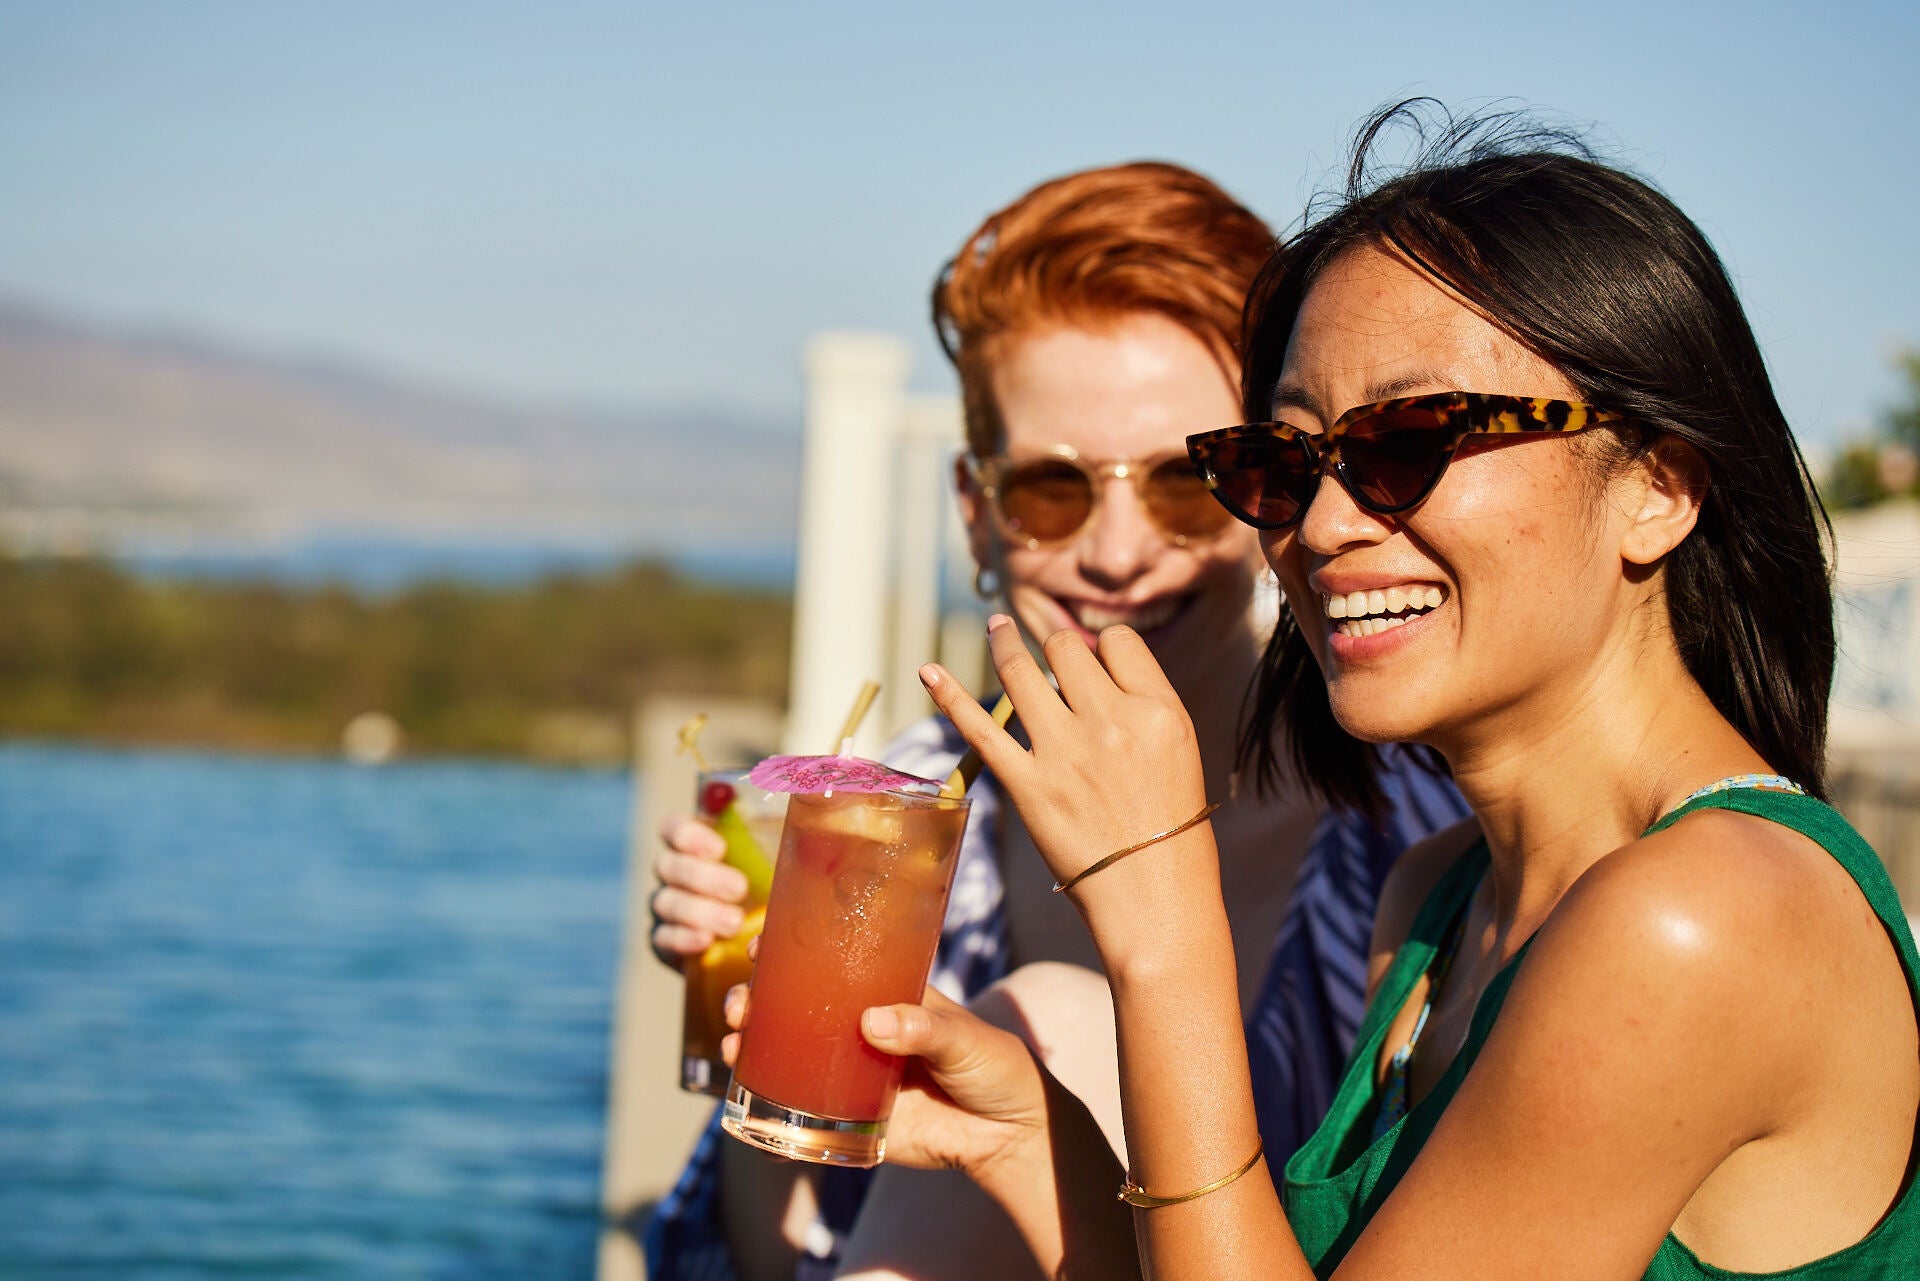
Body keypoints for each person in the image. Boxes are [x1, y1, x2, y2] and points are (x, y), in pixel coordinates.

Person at [831, 106, 1920, 1278]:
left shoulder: (1699, 920)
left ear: (1657, 487)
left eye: (1410, 442)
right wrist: (1032, 1148)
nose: (1326, 525)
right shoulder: (1436, 902)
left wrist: (1162, 926)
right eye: (1284, 462)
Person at [643, 162, 1466, 1281]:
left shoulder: (1421, 829)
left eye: (1184, 485)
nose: (1118, 553)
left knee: (1053, 1018)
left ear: (1266, 486)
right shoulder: (891, 817)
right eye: (1049, 493)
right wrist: (757, 1006)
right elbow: (778, 1258)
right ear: (979, 519)